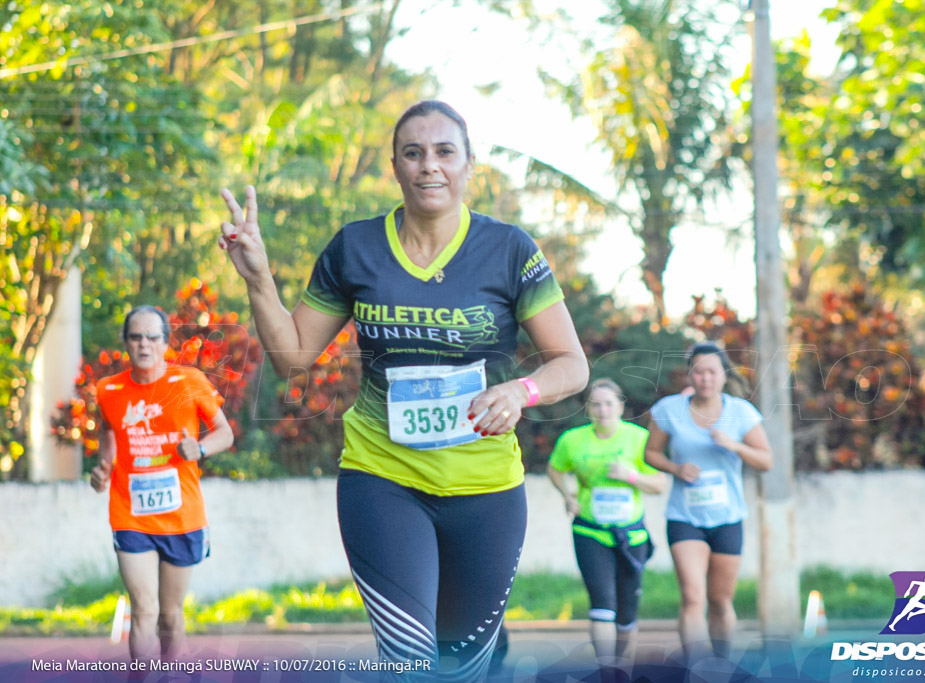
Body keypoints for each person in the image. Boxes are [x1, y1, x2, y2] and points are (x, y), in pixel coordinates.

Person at [218, 100, 589, 680]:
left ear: (470, 165)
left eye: (445, 152)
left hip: (487, 490)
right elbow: (292, 355)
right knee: (410, 661)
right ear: (394, 165)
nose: (429, 166)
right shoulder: (356, 248)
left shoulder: (510, 250)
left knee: (463, 669)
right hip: (382, 480)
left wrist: (521, 392)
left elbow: (572, 363)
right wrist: (259, 278)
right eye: (413, 153)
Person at [90, 305, 234, 661]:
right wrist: (103, 466)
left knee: (170, 616)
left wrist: (198, 448)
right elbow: (109, 429)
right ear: (126, 342)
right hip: (130, 514)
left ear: (165, 343)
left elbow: (225, 434)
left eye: (152, 337)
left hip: (182, 516)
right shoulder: (109, 390)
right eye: (136, 336)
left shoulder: (189, 381)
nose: (144, 344)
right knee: (144, 609)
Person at [643, 343, 772, 660]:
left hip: (728, 518)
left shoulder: (741, 412)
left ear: (724, 376)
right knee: (692, 596)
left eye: (712, 371)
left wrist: (734, 445)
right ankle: (695, 668)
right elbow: (650, 453)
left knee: (719, 600)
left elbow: (766, 461)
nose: (705, 378)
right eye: (698, 371)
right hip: (684, 517)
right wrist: (675, 468)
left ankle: (721, 664)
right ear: (690, 375)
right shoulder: (669, 409)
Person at [547, 379, 665, 665]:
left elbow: (660, 484)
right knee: (602, 605)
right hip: (590, 530)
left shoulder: (638, 438)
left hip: (631, 536)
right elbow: (555, 468)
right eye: (596, 404)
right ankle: (606, 671)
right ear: (588, 408)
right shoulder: (572, 439)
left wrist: (631, 476)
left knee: (626, 612)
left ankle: (622, 666)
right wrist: (567, 495)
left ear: (621, 407)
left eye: (609, 403)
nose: (602, 410)